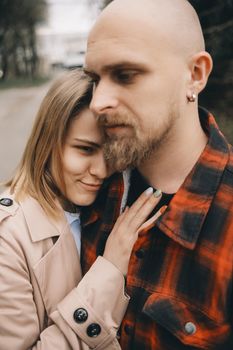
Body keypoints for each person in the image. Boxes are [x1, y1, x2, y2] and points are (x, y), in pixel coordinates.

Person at [82, 0, 233, 349]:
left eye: (125, 75)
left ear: (195, 74)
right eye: (94, 79)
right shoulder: (88, 189)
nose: (97, 101)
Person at [0, 70, 163, 349]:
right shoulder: (9, 237)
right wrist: (109, 270)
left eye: (110, 153)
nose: (100, 171)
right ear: (47, 142)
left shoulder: (106, 202)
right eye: (85, 150)